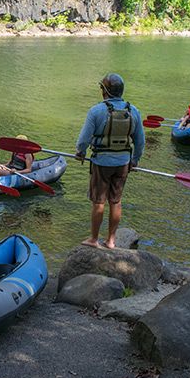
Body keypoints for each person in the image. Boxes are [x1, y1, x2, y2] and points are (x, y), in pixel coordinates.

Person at [75, 73, 145, 249]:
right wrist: (135, 160)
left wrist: (81, 152)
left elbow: (83, 140)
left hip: (101, 163)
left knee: (99, 202)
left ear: (105, 91)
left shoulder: (96, 111)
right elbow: (140, 141)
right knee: (116, 201)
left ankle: (94, 239)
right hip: (123, 164)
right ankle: (111, 241)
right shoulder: (133, 111)